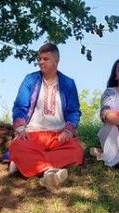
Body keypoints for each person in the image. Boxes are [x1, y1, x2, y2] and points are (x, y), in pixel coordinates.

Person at [10, 42, 85, 191]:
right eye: (39, 59)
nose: (40, 62)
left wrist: (68, 131)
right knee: (17, 145)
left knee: (77, 150)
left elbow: (74, 111)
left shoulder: (68, 83)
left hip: (58, 137)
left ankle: (26, 164)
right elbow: (20, 106)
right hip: (32, 134)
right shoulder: (30, 80)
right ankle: (49, 171)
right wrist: (19, 127)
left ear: (56, 61)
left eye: (45, 59)